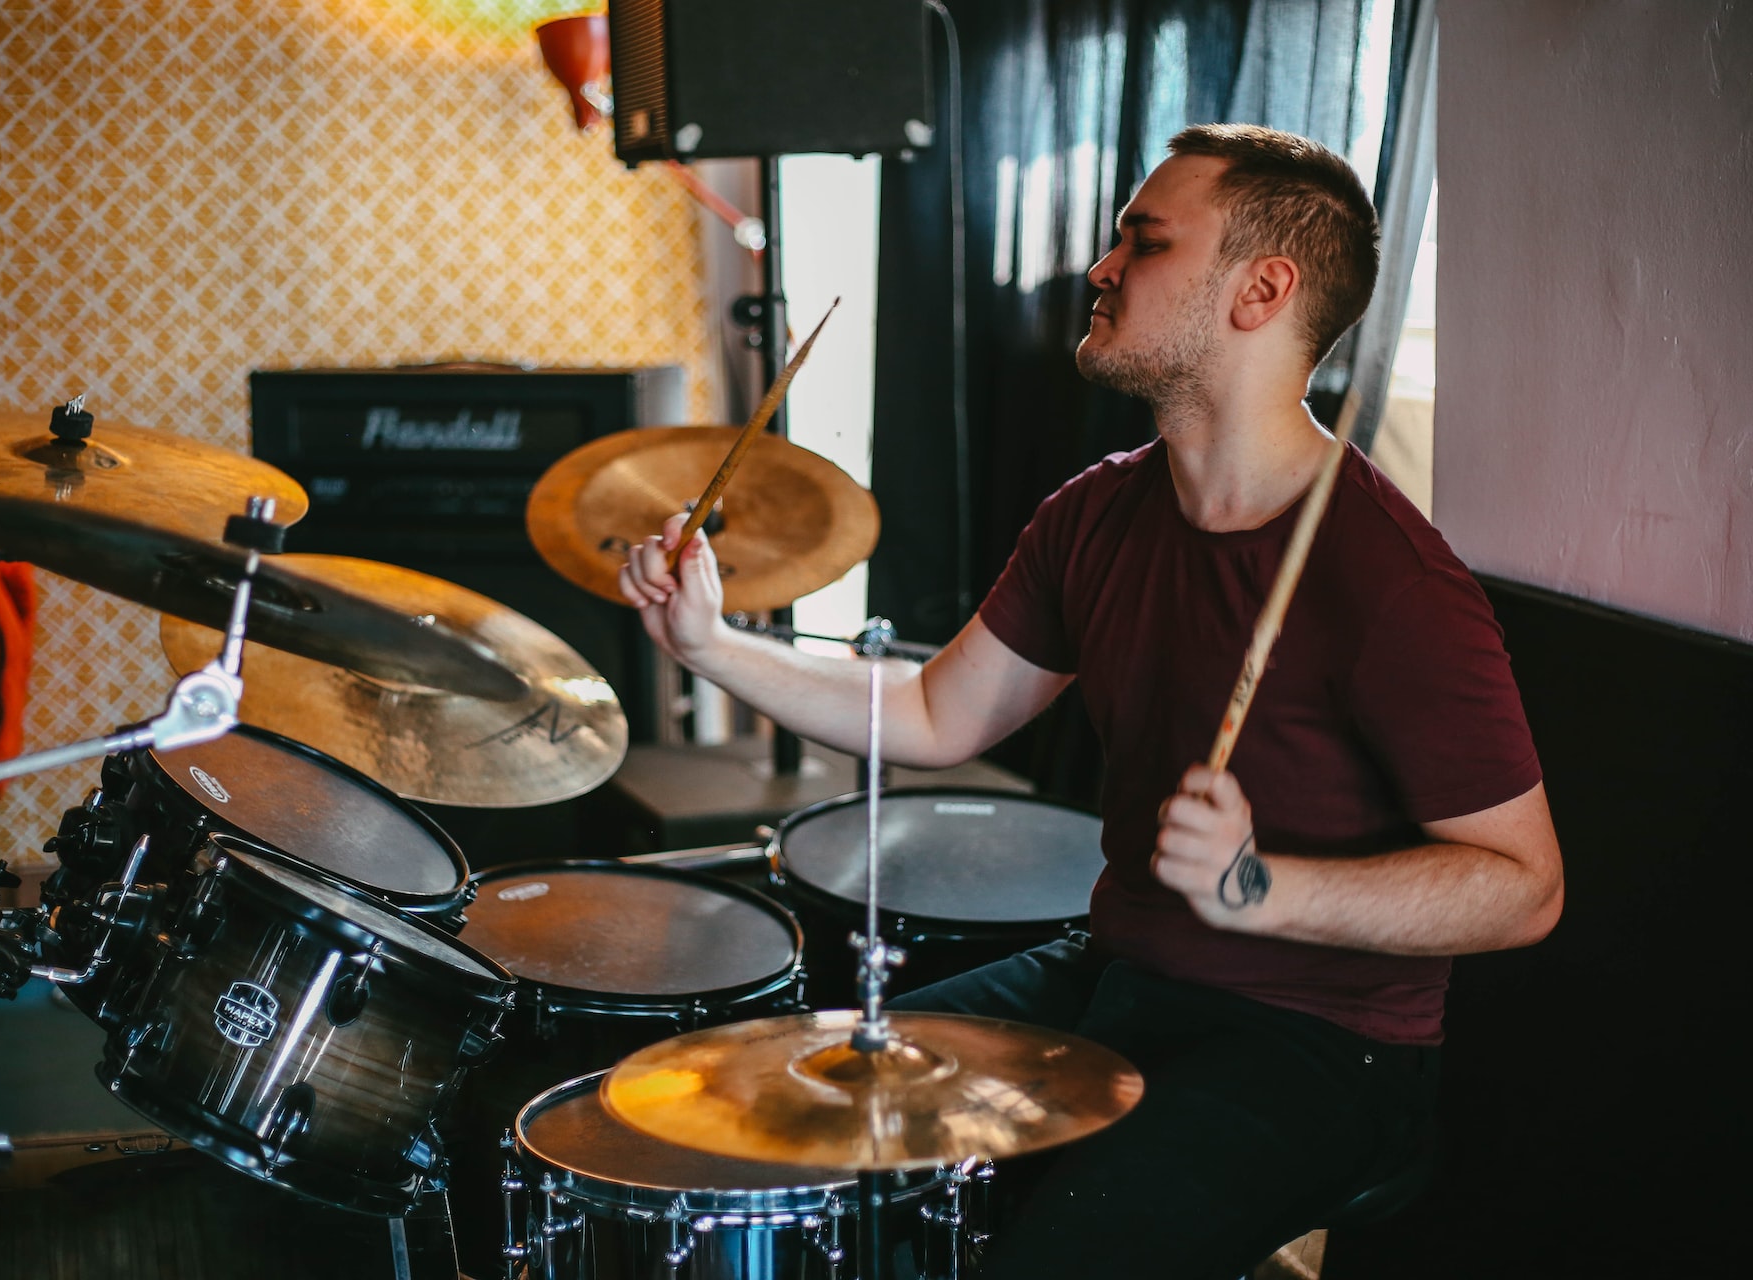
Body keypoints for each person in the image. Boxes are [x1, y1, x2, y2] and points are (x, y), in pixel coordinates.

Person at [620, 123, 1563, 1279]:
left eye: (1144, 241)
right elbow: (933, 715)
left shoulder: (1388, 580)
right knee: (782, 1114)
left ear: (1261, 290)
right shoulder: (1097, 513)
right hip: (1115, 973)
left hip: (1322, 1043)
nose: (1102, 267)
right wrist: (711, 645)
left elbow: (1524, 888)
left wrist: (1258, 885)